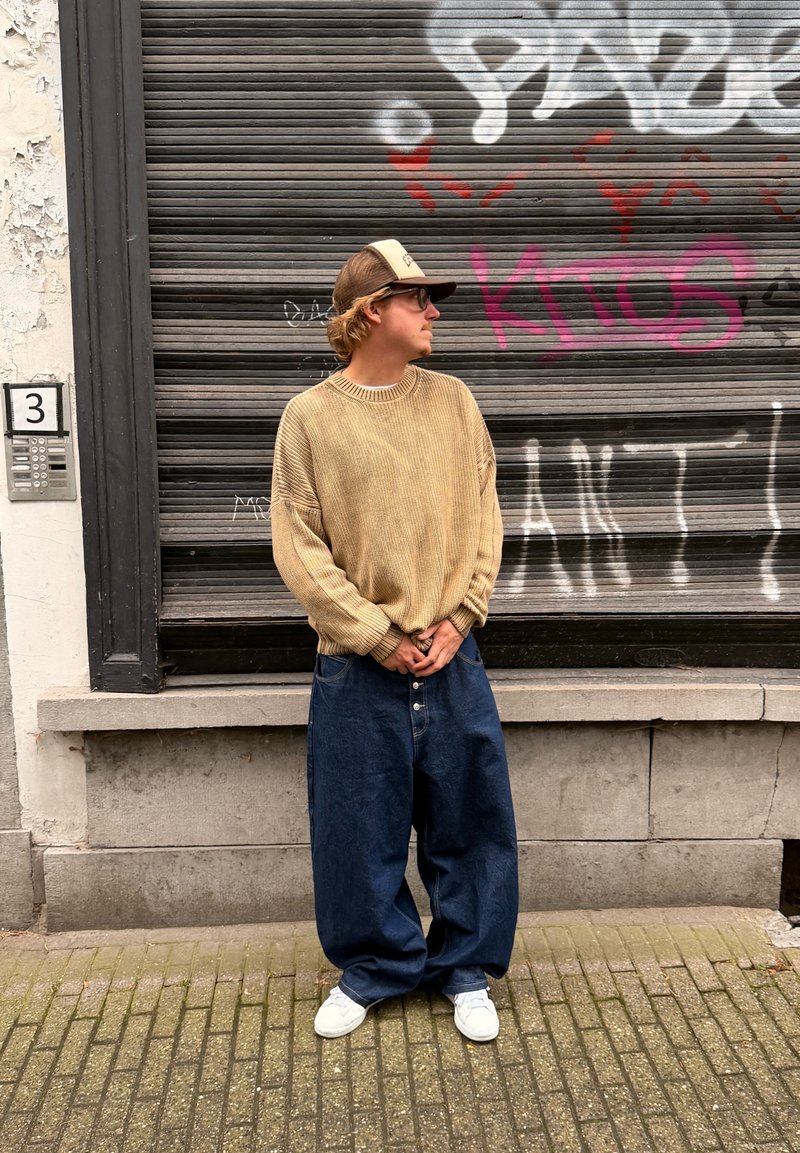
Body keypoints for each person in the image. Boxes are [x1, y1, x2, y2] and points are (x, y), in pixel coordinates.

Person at [270, 239, 518, 1042]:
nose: (433, 311)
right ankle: (375, 967)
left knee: (469, 820)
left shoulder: (453, 402)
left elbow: (484, 517)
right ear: (373, 310)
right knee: (355, 828)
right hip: (356, 668)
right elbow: (299, 550)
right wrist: (375, 635)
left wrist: (461, 616)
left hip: (453, 658)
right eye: (418, 299)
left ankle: (464, 967)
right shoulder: (310, 418)